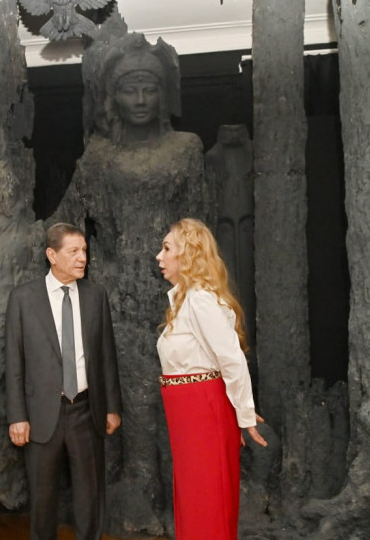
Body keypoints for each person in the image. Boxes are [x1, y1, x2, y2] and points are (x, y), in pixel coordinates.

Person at [5, 222, 123, 540]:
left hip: (87, 410)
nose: (82, 257)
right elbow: (14, 363)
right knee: (43, 500)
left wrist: (112, 407)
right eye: (73, 251)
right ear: (51, 255)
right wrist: (17, 416)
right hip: (42, 414)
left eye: (84, 250)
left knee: (90, 496)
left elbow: (107, 355)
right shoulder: (23, 298)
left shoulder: (96, 295)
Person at [155, 217, 267, 540]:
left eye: (167, 248)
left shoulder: (200, 299)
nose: (159, 256)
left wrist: (244, 415)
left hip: (203, 413)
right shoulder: (185, 300)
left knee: (207, 499)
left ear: (188, 254)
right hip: (190, 416)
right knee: (195, 498)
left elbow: (232, 359)